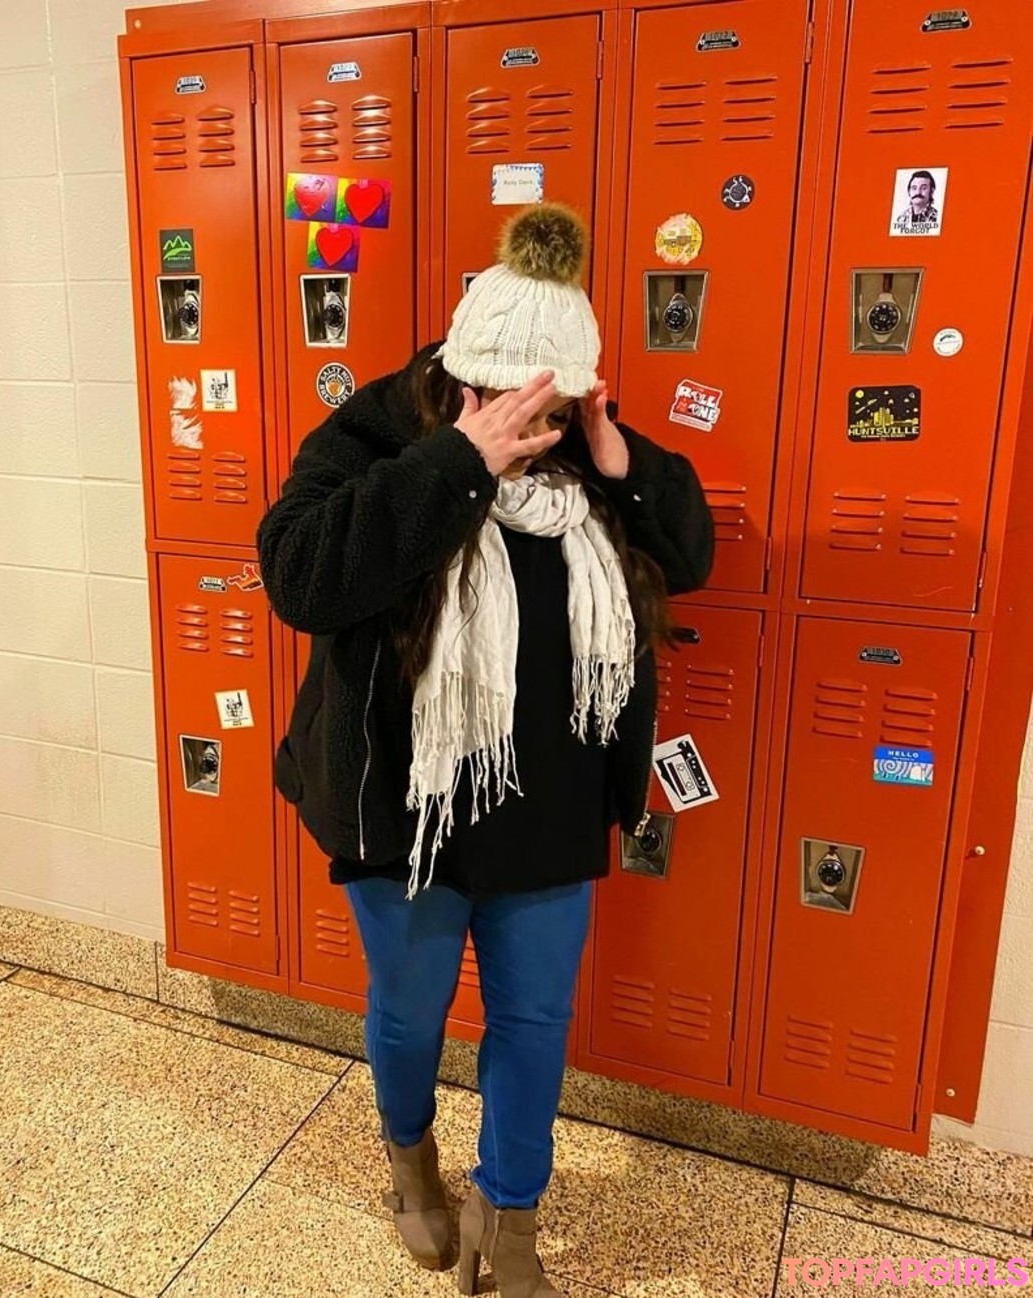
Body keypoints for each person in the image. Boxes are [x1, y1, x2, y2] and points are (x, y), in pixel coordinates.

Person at [256, 203, 715, 1297]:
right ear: (459, 371)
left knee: (536, 1020)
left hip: (550, 801)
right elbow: (300, 573)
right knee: (410, 1010)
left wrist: (618, 456)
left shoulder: (587, 450)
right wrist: (458, 461)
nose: (526, 421)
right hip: (407, 807)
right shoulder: (378, 433)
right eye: (504, 398)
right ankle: (410, 1160)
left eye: (548, 405)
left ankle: (508, 1220)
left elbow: (691, 554)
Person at [892, 170, 940, 234]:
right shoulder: (901, 219)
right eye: (914, 188)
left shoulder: (938, 217)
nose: (918, 192)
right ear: (909, 192)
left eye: (923, 188)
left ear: (931, 191)